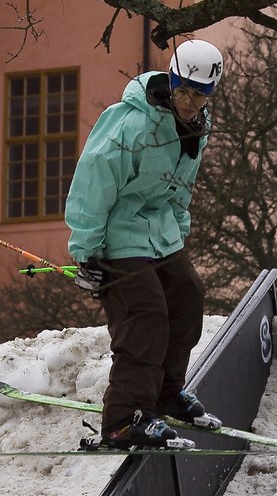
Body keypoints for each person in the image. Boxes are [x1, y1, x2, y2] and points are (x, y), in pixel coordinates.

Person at [64, 38, 225, 451]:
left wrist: (179, 232)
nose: (189, 102)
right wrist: (86, 250)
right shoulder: (130, 122)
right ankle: (124, 420)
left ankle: (165, 395)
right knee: (146, 316)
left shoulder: (195, 127)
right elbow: (92, 181)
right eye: (183, 90)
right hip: (117, 232)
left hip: (159, 232)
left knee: (187, 297)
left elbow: (179, 189)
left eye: (199, 95)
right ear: (171, 81)